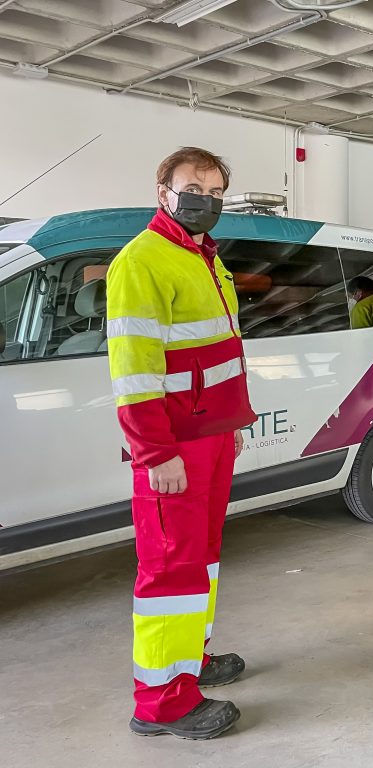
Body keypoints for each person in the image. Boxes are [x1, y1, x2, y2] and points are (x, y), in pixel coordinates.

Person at [106, 147, 256, 740]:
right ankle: (162, 700)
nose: (207, 200)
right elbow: (134, 373)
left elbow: (221, 351)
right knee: (171, 566)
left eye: (217, 192)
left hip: (212, 434)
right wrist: (155, 452)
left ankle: (189, 662)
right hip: (174, 444)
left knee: (203, 558)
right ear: (163, 189)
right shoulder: (143, 261)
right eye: (195, 187)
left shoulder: (204, 258)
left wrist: (234, 421)